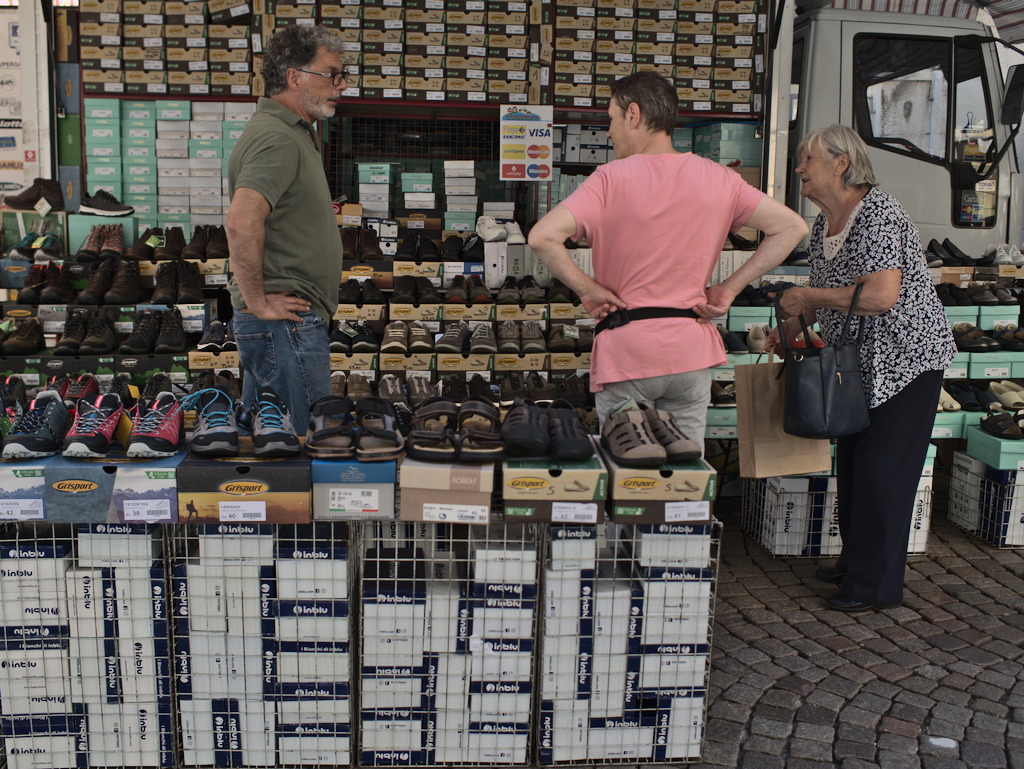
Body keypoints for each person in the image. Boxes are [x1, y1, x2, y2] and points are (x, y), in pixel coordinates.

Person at [528, 71, 808, 444]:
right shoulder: (719, 178)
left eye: (611, 119)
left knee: (628, 476)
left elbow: (542, 237)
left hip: (627, 352)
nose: (608, 133)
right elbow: (792, 228)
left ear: (633, 114)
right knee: (685, 482)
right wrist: (728, 288)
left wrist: (589, 289)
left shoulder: (609, 179)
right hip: (690, 354)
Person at [768, 124, 956, 612]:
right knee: (853, 466)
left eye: (807, 159)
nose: (799, 169)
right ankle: (858, 562)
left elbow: (879, 295)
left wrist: (807, 297)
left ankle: (875, 586)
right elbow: (830, 300)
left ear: (840, 163)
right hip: (858, 366)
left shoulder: (879, 211)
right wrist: (793, 324)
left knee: (882, 473)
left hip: (906, 361)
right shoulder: (823, 225)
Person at [225, 25, 347, 430]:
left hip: (286, 322)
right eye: (331, 73)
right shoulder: (277, 138)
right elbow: (242, 222)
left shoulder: (293, 133)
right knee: (306, 442)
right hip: (285, 323)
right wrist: (258, 302)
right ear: (295, 77)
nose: (341, 84)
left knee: (273, 445)